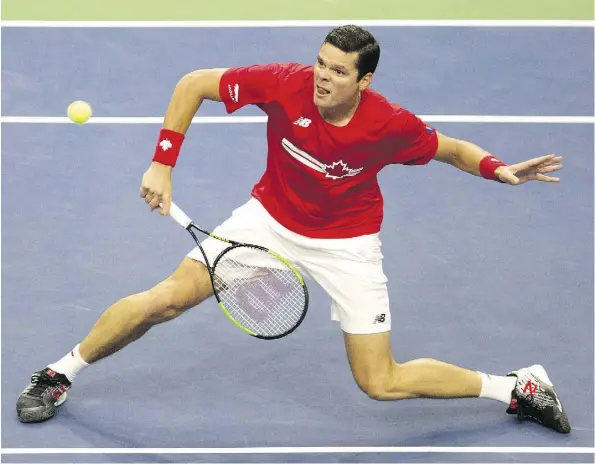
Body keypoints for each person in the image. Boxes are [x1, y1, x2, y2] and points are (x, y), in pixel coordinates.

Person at [17, 25, 569, 433]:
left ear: (364, 80)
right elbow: (193, 84)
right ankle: (59, 372)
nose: (323, 78)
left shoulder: (388, 124)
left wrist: (498, 168)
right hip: (268, 222)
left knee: (381, 382)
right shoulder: (284, 85)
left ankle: (517, 387)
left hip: (347, 243)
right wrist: (163, 161)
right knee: (166, 300)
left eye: (338, 71)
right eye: (321, 64)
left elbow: (450, 150)